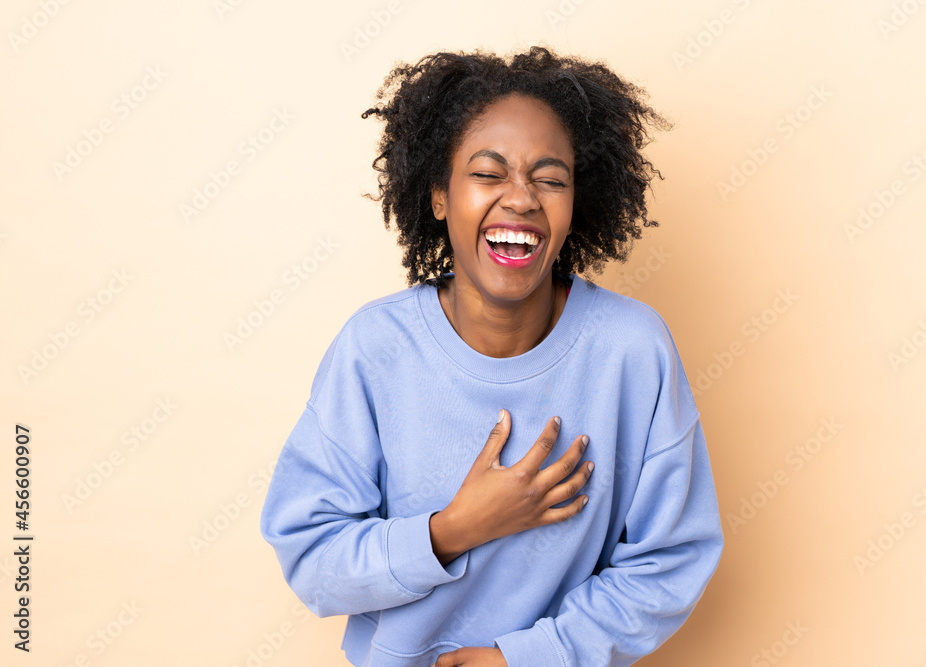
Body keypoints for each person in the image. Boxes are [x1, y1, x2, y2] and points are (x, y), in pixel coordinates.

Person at [260, 45, 724, 667]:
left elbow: (670, 561)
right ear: (439, 196)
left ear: (574, 204)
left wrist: (525, 658)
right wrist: (454, 529)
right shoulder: (376, 350)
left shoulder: (631, 351)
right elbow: (313, 557)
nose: (522, 197)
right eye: (488, 173)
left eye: (550, 178)